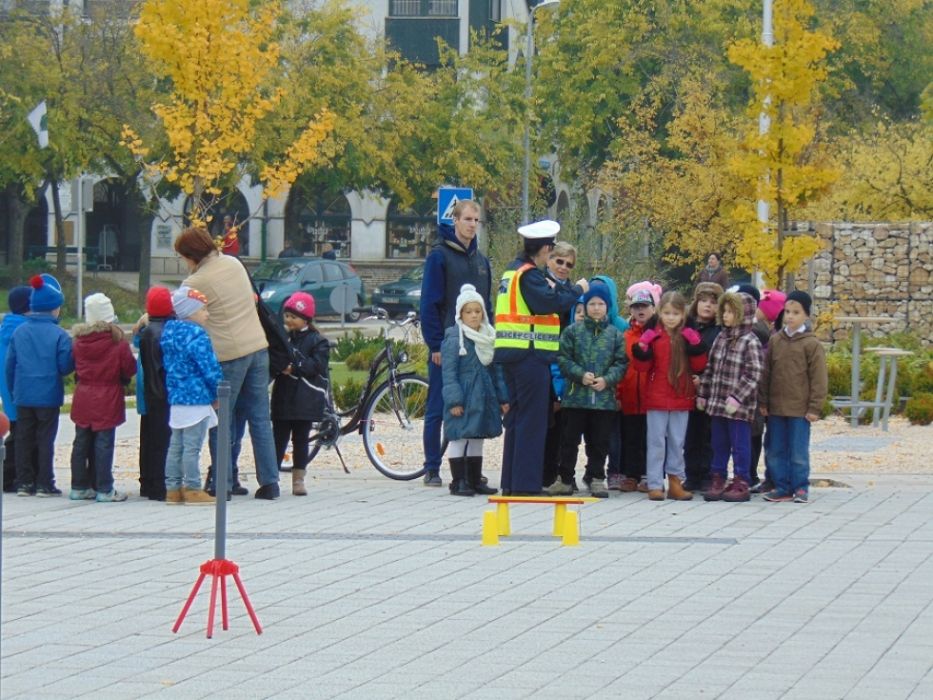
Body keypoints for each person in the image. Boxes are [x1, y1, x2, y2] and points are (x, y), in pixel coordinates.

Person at [175, 226, 280, 500]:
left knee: (221, 420)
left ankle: (223, 481)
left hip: (227, 354)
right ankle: (270, 482)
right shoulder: (234, 263)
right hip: (258, 346)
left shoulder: (195, 283)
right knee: (260, 418)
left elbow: (179, 310)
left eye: (183, 257)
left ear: (192, 255)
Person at [494, 220, 588, 496]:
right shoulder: (529, 275)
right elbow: (550, 304)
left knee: (516, 419)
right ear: (545, 248)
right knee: (532, 421)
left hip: (512, 354)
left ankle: (512, 482)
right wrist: (577, 290)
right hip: (530, 355)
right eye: (551, 249)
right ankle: (526, 484)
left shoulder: (512, 272)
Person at [420, 199, 493, 487]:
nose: (472, 225)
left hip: (476, 345)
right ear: (455, 221)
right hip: (449, 345)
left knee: (474, 404)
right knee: (439, 404)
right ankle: (432, 466)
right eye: (467, 219)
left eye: (476, 220)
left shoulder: (481, 261)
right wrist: (435, 344)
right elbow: (429, 303)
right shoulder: (439, 257)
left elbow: (485, 305)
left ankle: (470, 471)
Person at [551, 283, 627, 498]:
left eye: (600, 304)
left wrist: (607, 379)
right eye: (591, 303)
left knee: (599, 442)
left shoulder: (614, 334)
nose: (596, 308)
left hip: (603, 400)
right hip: (575, 398)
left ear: (607, 307)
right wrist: (580, 375)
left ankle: (596, 478)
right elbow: (563, 358)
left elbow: (621, 363)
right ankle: (564, 479)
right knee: (569, 441)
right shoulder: (572, 332)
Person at [631, 291, 707, 501]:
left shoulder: (687, 335)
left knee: (677, 441)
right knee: (656, 441)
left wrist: (696, 347)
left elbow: (699, 365)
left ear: (683, 314)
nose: (671, 317)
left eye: (675, 313)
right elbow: (642, 367)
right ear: (659, 313)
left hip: (681, 395)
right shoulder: (654, 334)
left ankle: (675, 481)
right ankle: (655, 483)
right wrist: (642, 349)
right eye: (666, 313)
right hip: (657, 395)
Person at [6, 274, 73, 497]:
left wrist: (14, 389)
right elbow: (65, 366)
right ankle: (45, 482)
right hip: (48, 395)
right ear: (53, 309)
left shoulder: (19, 332)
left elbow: (10, 365)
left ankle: (24, 482)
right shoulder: (59, 335)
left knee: (23, 438)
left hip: (23, 394)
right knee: (45, 439)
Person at [760, 291, 828, 504]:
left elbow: (819, 378)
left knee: (798, 451)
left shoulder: (811, 344)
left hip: (800, 410)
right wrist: (763, 401)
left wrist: (815, 407)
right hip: (776, 409)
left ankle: (800, 487)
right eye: (787, 312)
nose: (790, 316)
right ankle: (781, 486)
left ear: (806, 315)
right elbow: (766, 373)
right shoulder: (776, 340)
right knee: (775, 449)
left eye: (796, 312)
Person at [441, 284, 509, 496]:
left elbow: (497, 371)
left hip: (484, 396)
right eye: (468, 312)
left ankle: (474, 478)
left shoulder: (489, 337)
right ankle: (458, 480)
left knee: (477, 437)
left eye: (477, 311)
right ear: (460, 314)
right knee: (460, 437)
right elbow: (449, 374)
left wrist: (502, 398)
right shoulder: (454, 339)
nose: (473, 316)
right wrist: (454, 401)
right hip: (464, 397)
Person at [696, 290, 763, 502]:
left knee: (740, 444)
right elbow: (710, 368)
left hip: (739, 407)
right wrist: (703, 394)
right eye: (723, 311)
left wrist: (737, 397)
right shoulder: (720, 339)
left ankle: (741, 479)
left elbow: (754, 374)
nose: (725, 315)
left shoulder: (750, 341)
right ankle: (718, 477)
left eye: (730, 312)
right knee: (718, 442)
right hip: (717, 404)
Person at [69, 293, 136, 502]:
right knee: (104, 443)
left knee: (81, 442)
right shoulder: (118, 343)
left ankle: (79, 486)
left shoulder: (78, 342)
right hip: (108, 394)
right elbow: (129, 368)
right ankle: (104, 487)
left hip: (83, 394)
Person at [161, 287, 222, 505]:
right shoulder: (197, 335)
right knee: (192, 447)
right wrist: (218, 390)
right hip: (196, 398)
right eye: (203, 309)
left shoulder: (169, 333)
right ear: (190, 311)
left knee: (176, 445)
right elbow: (209, 366)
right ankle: (193, 487)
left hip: (177, 398)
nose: (207, 314)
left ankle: (173, 488)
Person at [271, 292, 330, 497]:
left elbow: (317, 365)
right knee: (278, 439)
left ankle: (298, 479)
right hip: (283, 397)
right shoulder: (283, 338)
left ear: (305, 319)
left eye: (293, 317)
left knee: (301, 440)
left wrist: (294, 368)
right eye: (286, 316)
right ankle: (272, 478)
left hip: (305, 398)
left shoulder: (317, 341)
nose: (288, 320)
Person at [616, 281, 662, 493]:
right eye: (636, 306)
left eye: (645, 306)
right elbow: (619, 365)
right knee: (631, 437)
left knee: (652, 439)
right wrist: (617, 392)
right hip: (629, 397)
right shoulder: (625, 336)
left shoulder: (660, 335)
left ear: (653, 308)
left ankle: (649, 475)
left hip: (652, 397)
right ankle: (631, 474)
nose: (640, 310)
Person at [541, 242, 578, 492]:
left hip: (567, 358)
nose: (563, 267)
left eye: (568, 264)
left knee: (567, 423)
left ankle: (563, 473)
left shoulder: (570, 289)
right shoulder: (543, 284)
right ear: (549, 260)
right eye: (559, 261)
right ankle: (546, 472)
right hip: (547, 356)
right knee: (549, 419)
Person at [683, 281, 724, 491]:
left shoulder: (719, 331)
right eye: (703, 301)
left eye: (713, 302)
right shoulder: (687, 326)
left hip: (710, 389)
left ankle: (708, 473)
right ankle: (691, 474)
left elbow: (717, 361)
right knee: (690, 434)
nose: (707, 306)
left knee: (709, 434)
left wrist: (703, 379)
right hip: (687, 388)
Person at [137, 287, 175, 501]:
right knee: (164, 440)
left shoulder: (147, 333)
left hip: (151, 392)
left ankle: (149, 482)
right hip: (166, 392)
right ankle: (161, 485)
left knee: (149, 438)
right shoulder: (169, 332)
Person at [1, 286, 33, 493]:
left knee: (15, 430)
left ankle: (8, 474)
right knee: (22, 434)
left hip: (7, 387)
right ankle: (14, 475)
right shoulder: (24, 331)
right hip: (22, 387)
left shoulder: (5, 328)